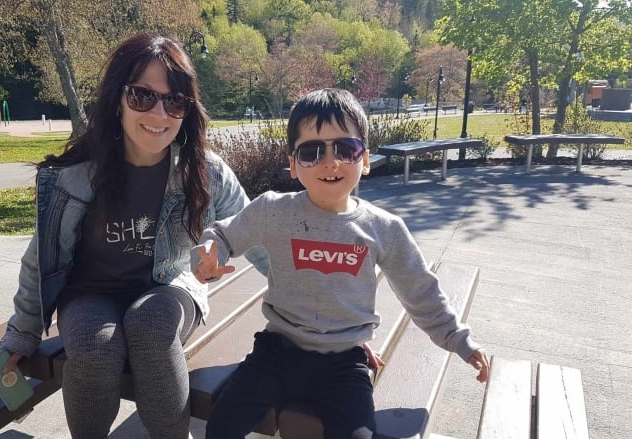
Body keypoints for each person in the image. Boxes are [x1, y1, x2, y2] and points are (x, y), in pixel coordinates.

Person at [0, 33, 267, 439]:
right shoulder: (76, 174)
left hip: (169, 287)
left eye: (174, 100)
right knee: (93, 345)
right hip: (90, 293)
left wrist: (325, 321)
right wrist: (23, 331)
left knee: (151, 325)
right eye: (143, 96)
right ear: (117, 100)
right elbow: (41, 260)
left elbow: (263, 240)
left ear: (187, 110)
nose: (159, 113)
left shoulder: (206, 171)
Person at [191, 88, 490, 439]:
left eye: (346, 149)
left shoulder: (384, 229)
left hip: (344, 363)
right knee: (222, 424)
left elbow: (420, 291)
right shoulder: (273, 210)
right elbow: (223, 235)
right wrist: (212, 253)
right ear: (292, 164)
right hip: (276, 353)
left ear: (364, 160)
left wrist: (459, 340)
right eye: (312, 151)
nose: (330, 162)